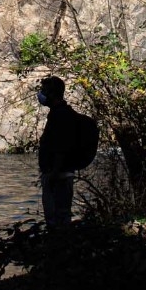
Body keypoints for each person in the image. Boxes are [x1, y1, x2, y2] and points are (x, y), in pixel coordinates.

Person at [36, 76, 98, 228]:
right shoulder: (60, 113)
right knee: (58, 215)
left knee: (57, 217)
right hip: (59, 173)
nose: (41, 94)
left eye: (44, 91)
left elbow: (61, 147)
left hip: (59, 175)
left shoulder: (61, 116)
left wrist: (54, 173)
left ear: (52, 94)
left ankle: (59, 246)